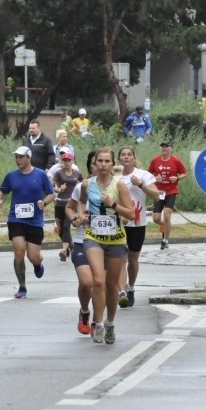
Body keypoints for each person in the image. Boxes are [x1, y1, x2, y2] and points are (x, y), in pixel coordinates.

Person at [67, 147, 134, 344]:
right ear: (94, 164)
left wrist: (113, 205)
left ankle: (110, 323)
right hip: (93, 237)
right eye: (100, 161)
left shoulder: (119, 185)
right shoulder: (87, 184)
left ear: (113, 165)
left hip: (116, 239)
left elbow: (131, 214)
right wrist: (80, 215)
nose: (103, 165)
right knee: (97, 281)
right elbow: (80, 203)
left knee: (112, 285)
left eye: (107, 161)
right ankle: (97, 323)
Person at [0, 146, 55, 298]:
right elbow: (2, 190)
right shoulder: (11, 176)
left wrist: (44, 203)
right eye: (16, 157)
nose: (18, 160)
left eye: (21, 157)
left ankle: (37, 263)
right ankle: (22, 287)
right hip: (16, 219)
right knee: (19, 251)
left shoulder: (40, 175)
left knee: (33, 256)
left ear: (29, 158)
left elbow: (51, 194)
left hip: (34, 221)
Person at [116, 146, 159, 308]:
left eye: (129, 155)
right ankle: (122, 291)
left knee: (133, 260)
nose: (126, 157)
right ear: (119, 158)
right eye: (123, 155)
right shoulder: (115, 177)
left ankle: (131, 287)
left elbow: (157, 196)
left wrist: (140, 185)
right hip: (119, 223)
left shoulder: (143, 175)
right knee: (121, 259)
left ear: (134, 158)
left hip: (137, 223)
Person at [65, 151, 97, 335]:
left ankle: (98, 320)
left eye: (104, 162)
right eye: (95, 163)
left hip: (106, 241)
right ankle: (85, 311)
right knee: (86, 283)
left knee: (100, 284)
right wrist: (75, 218)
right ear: (89, 166)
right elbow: (70, 208)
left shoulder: (116, 187)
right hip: (82, 239)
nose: (99, 166)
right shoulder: (82, 187)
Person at [147, 141, 188, 250]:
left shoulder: (176, 161)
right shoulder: (155, 160)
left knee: (167, 215)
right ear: (160, 149)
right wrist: (155, 177)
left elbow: (184, 173)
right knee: (156, 218)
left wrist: (178, 178)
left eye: (167, 147)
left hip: (171, 191)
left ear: (170, 148)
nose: (164, 149)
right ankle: (167, 226)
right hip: (159, 191)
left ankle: (165, 241)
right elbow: (148, 174)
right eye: (162, 147)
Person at [52, 151, 82, 261]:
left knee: (66, 226)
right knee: (60, 229)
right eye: (65, 160)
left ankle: (63, 250)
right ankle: (70, 246)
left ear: (72, 161)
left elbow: (82, 185)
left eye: (69, 160)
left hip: (71, 204)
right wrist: (59, 189)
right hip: (59, 203)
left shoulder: (76, 173)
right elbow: (51, 185)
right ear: (62, 162)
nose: (67, 162)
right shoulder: (59, 173)